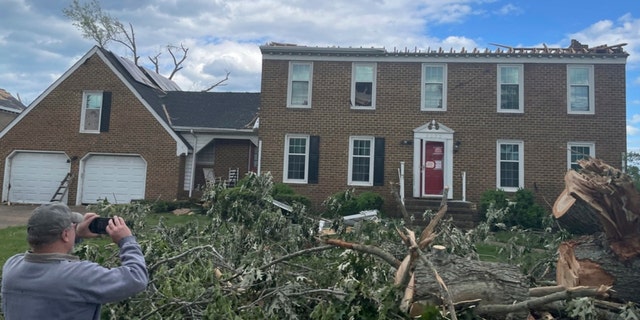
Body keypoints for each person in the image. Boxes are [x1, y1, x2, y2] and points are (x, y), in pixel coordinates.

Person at [1, 203, 148, 319]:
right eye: (72, 227)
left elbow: (46, 249)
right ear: (65, 234)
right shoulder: (80, 276)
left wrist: (75, 234)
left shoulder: (12, 267)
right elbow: (136, 277)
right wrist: (126, 241)